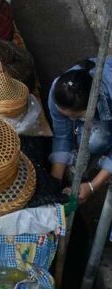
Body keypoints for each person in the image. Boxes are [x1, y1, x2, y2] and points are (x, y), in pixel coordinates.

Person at [48, 56, 112, 203]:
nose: (70, 120)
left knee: (97, 140)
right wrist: (54, 183)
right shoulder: (59, 90)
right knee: (83, 136)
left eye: (76, 117)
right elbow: (62, 135)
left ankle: (102, 159)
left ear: (91, 107)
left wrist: (92, 186)